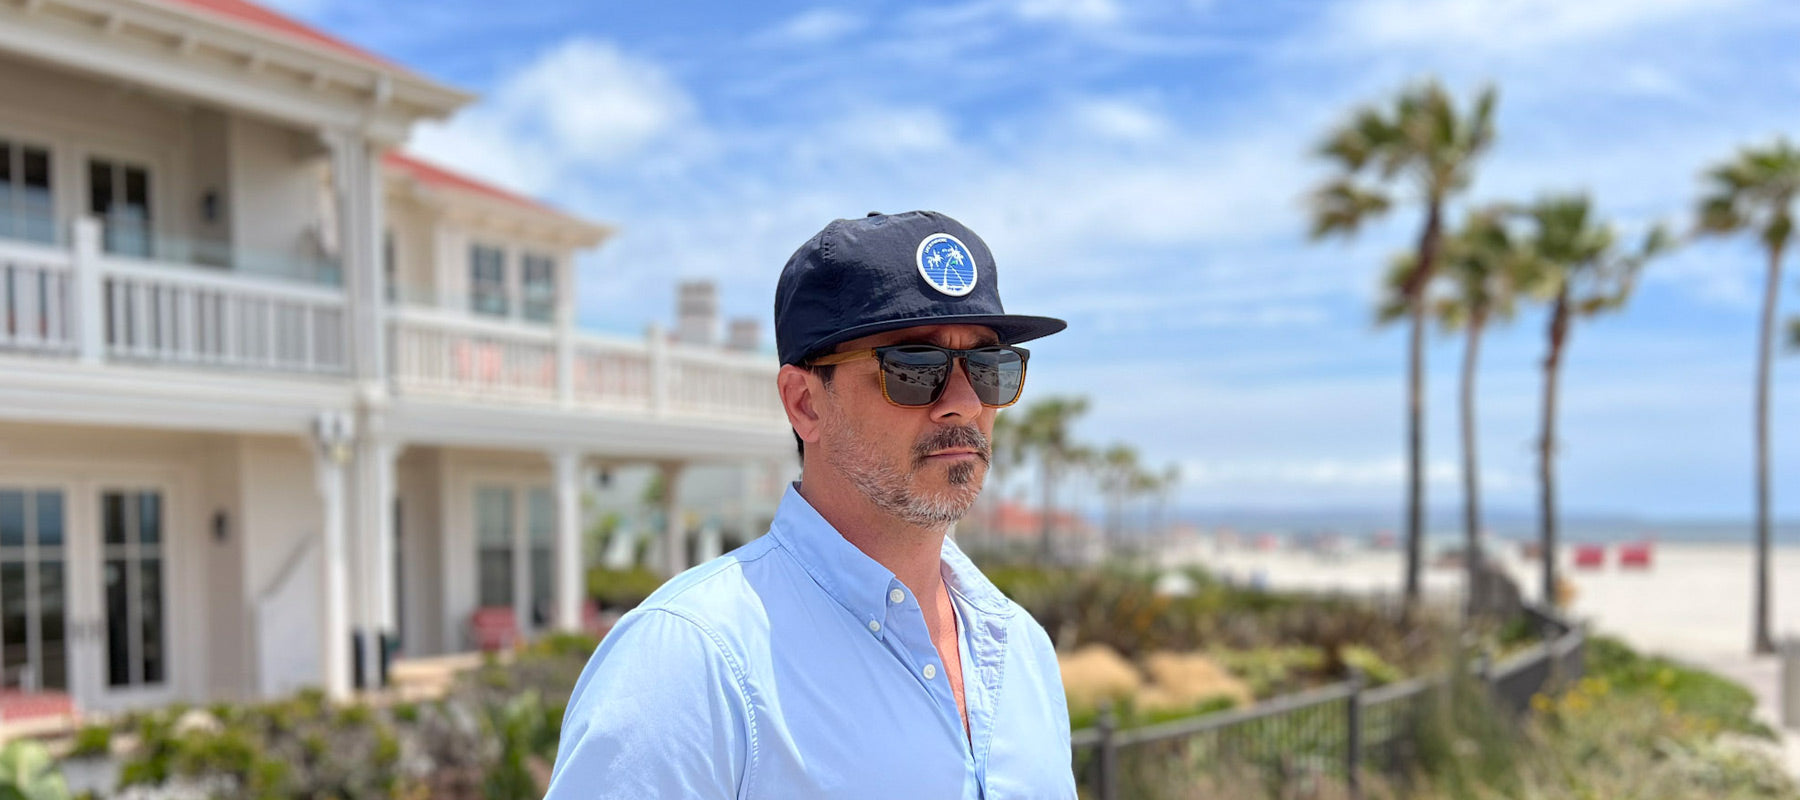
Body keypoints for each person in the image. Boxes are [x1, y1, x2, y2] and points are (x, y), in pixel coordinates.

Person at [545, 210, 1075, 799]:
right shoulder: (689, 663)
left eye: (988, 367)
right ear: (804, 404)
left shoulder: (1021, 648)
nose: (962, 403)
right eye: (912, 368)